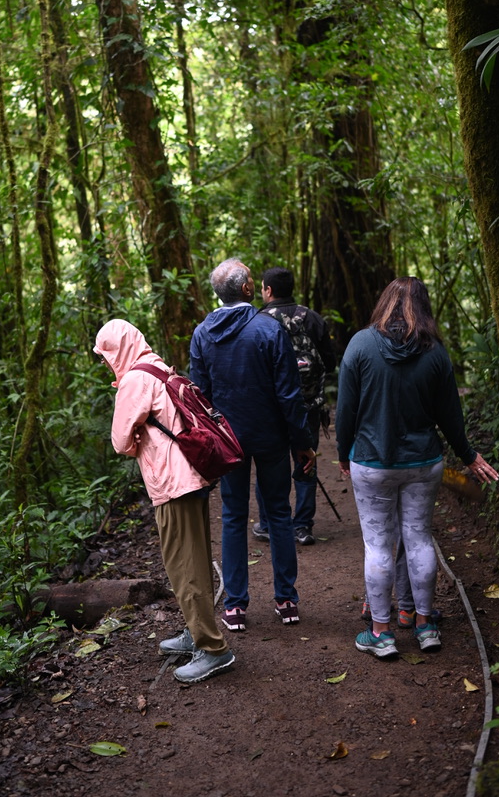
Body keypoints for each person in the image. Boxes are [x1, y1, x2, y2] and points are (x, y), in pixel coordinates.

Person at [336, 276, 498, 659]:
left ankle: (381, 634)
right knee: (420, 539)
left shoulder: (360, 344)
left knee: (378, 544)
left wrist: (344, 453)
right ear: (423, 308)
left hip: (373, 462)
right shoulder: (435, 353)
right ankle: (425, 626)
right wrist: (468, 454)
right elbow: (450, 415)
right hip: (424, 462)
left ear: (384, 304)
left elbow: (346, 409)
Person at [94, 318, 235, 684]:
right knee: (196, 561)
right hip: (191, 475)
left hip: (172, 483)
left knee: (184, 568)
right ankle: (197, 631)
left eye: (105, 355)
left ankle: (213, 648)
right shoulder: (156, 366)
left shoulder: (134, 381)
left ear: (115, 351)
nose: (105, 362)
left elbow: (120, 441)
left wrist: (134, 428)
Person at [189, 258, 316, 632]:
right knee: (278, 512)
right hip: (271, 438)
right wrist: (302, 443)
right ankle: (286, 599)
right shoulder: (268, 329)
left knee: (232, 516)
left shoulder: (202, 334)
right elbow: (289, 394)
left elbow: (201, 396)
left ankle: (235, 606)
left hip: (229, 442)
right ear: (246, 289)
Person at [252, 266, 337, 546]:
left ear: (268, 290)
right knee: (306, 462)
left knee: (268, 466)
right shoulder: (312, 318)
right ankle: (302, 527)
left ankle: (267, 523)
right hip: (308, 406)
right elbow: (330, 361)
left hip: (269, 410)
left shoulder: (257, 321)